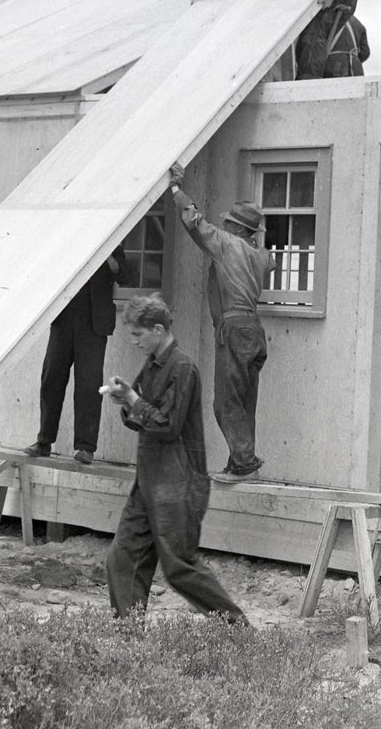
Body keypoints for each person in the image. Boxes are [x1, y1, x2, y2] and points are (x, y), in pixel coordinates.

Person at [103, 293, 248, 623]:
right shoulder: (153, 364)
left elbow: (167, 425)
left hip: (179, 485)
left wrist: (132, 399)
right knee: (122, 559)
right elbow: (141, 413)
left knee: (180, 567)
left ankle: (240, 633)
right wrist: (126, 399)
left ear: (157, 329)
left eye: (138, 334)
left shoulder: (182, 368)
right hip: (150, 483)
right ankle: (128, 639)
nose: (134, 341)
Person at [167, 162, 273, 482]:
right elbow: (264, 253)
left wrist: (175, 189)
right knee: (244, 401)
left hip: (233, 329)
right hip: (254, 331)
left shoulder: (228, 245)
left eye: (229, 224)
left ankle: (243, 463)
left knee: (225, 402)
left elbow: (194, 222)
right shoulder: (261, 256)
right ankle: (240, 461)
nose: (225, 227)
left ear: (239, 229)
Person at [24, 247, 130, 465]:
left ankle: (85, 447)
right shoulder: (74, 238)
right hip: (64, 320)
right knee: (51, 378)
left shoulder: (112, 242)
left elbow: (125, 275)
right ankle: (44, 441)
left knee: (89, 386)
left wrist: (106, 253)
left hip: (93, 324)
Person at [321, 5, 370, 78]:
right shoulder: (357, 23)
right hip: (356, 69)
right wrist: (354, 59)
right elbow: (365, 52)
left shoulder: (325, 20)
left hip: (332, 68)